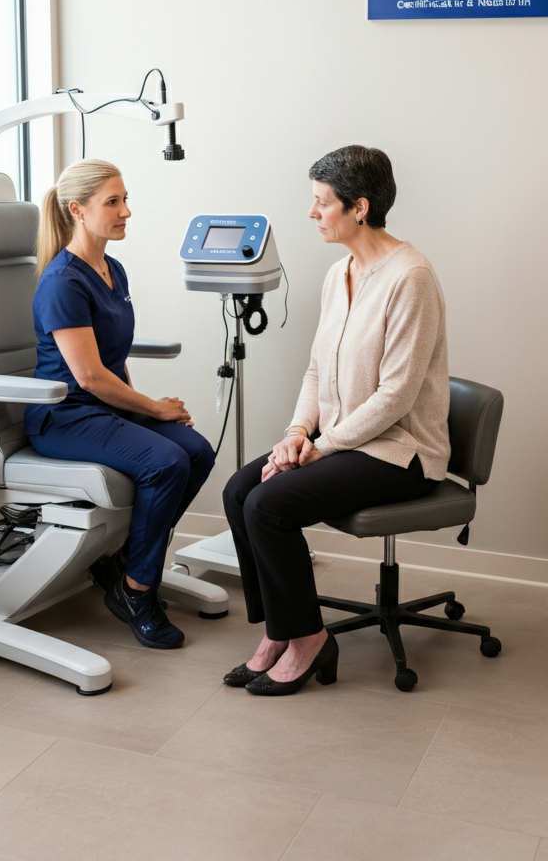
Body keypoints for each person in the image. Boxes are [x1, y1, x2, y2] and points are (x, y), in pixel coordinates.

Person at [222, 145, 451, 696]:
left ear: (360, 208)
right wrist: (297, 435)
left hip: (401, 452)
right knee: (238, 490)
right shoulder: (338, 274)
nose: (312, 213)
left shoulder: (410, 278)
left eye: (322, 203)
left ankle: (307, 639)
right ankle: (283, 631)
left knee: (268, 504)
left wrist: (321, 447)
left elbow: (396, 397)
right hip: (343, 443)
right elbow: (317, 371)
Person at [25, 158, 215, 650]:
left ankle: (129, 563)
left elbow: (114, 359)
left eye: (125, 199)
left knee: (196, 449)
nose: (126, 211)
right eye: (113, 201)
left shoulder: (113, 269)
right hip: (62, 416)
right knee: (167, 461)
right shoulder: (62, 281)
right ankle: (137, 590)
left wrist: (143, 410)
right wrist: (153, 409)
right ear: (77, 210)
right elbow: (87, 376)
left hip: (101, 407)